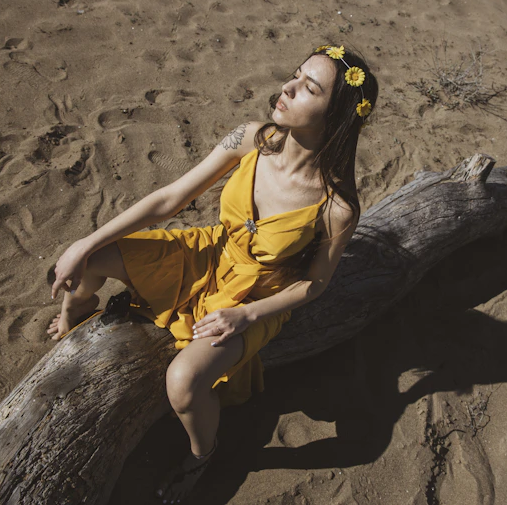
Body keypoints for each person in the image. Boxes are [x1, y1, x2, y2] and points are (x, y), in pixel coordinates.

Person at [46, 44, 378, 502]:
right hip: (208, 252)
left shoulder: (337, 206)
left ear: (336, 114)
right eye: (294, 75)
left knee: (184, 384)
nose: (287, 88)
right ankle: (73, 321)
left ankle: (202, 455)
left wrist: (249, 317)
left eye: (308, 88)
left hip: (254, 295)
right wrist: (86, 243)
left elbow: (314, 284)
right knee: (87, 264)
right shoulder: (251, 138)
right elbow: (169, 199)